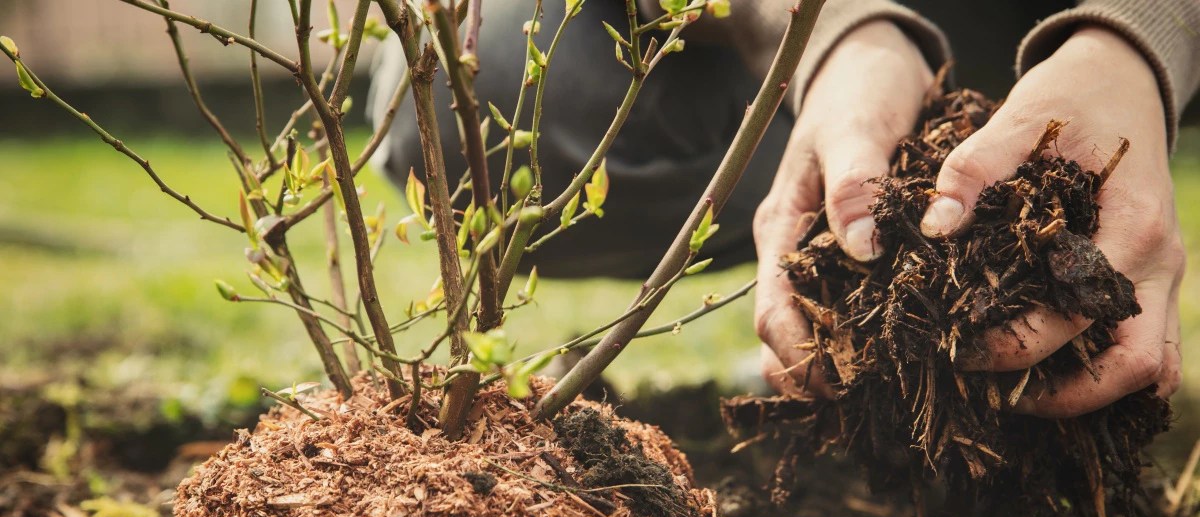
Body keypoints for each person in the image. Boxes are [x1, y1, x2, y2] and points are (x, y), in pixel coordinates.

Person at [369, 0, 1197, 416]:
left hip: (1041, 20)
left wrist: (1137, 40)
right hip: (788, 36)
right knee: (455, 89)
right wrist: (833, 32)